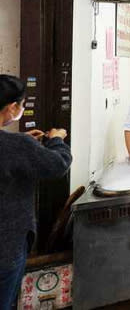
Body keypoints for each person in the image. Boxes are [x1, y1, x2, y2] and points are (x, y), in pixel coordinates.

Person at [0, 75, 72, 310]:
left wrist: (24, 144)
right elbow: (58, 164)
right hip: (6, 245)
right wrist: (57, 140)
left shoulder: (18, 145)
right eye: (21, 105)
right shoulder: (16, 146)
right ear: (12, 108)